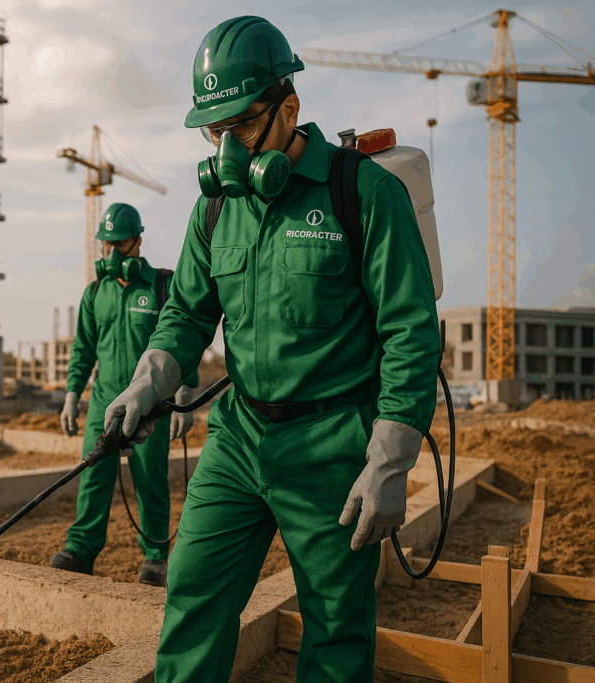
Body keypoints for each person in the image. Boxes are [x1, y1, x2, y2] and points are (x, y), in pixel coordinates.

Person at [104, 16, 441, 682]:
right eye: (213, 131)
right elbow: (186, 314)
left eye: (242, 126)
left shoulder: (362, 192)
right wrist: (148, 382)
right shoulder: (215, 208)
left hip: (333, 446)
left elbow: (411, 330)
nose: (227, 149)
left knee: (336, 630)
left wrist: (391, 459)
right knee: (192, 594)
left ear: (289, 108)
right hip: (238, 438)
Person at [52, 202, 200, 587]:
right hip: (102, 400)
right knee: (93, 475)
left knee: (150, 479)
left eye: (119, 243)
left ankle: (155, 557)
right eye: (107, 244)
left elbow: (183, 336)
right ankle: (81, 550)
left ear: (137, 241)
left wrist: (185, 393)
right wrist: (72, 395)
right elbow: (83, 349)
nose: (112, 251)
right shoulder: (95, 292)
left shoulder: (162, 286)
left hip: (151, 403)